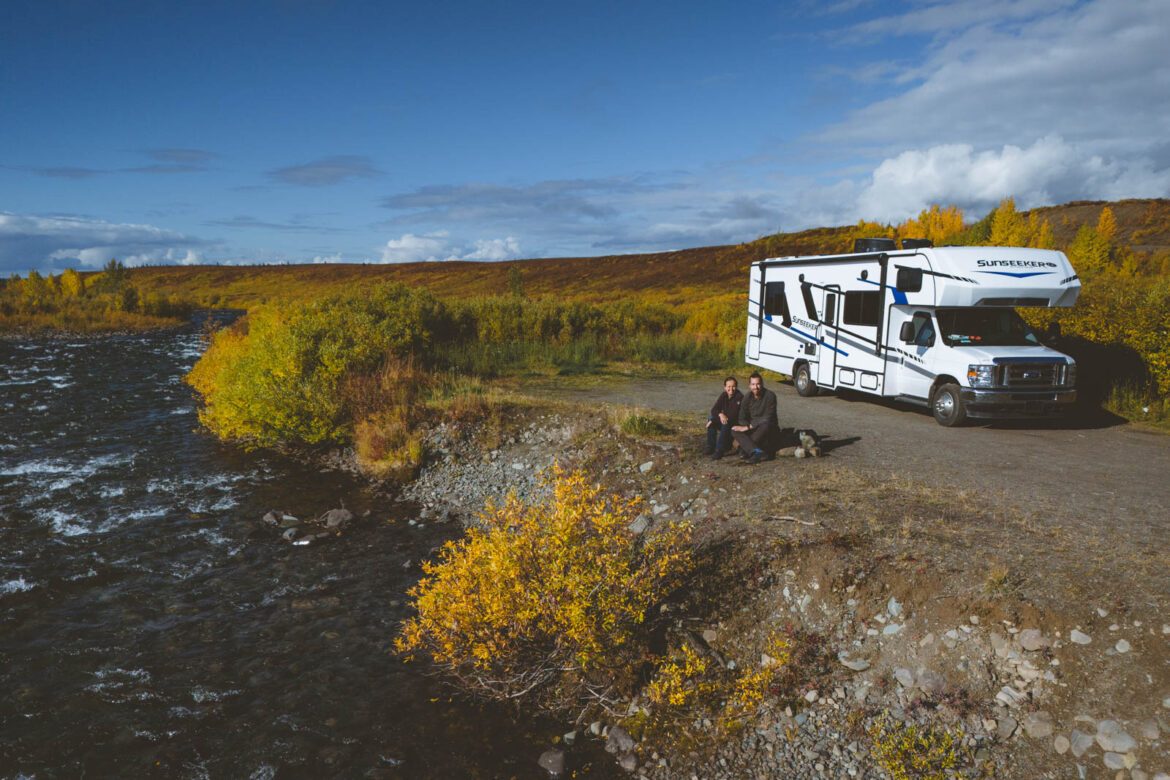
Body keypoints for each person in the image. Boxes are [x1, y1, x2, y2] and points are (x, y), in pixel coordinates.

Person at [732, 371, 778, 465]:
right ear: (749, 385)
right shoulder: (747, 397)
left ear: (762, 384)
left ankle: (745, 449)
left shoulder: (770, 396)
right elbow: (741, 417)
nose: (755, 387)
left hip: (767, 428)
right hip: (753, 428)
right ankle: (756, 452)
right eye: (753, 384)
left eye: (758, 384)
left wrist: (749, 426)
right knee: (734, 430)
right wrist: (745, 426)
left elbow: (768, 417)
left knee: (765, 425)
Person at [705, 377, 742, 460]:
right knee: (711, 417)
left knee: (722, 421)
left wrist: (713, 420)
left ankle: (719, 450)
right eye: (728, 386)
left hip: (735, 423)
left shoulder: (739, 397)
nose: (731, 389)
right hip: (726, 420)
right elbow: (714, 409)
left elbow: (732, 415)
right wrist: (720, 414)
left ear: (736, 387)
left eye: (733, 386)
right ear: (725, 387)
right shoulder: (724, 395)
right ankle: (710, 446)